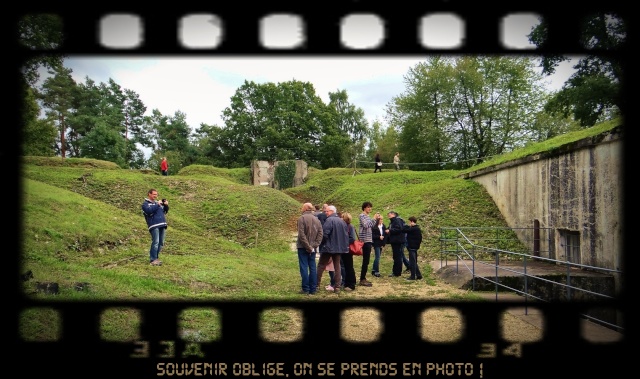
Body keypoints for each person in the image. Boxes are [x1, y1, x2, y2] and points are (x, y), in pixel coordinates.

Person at [316, 205, 349, 294]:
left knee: (321, 265)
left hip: (328, 247)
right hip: (338, 248)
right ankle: (337, 287)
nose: (325, 213)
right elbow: (345, 236)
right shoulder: (342, 221)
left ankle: (316, 285)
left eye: (327, 211)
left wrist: (321, 244)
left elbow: (325, 234)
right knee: (337, 266)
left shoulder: (329, 220)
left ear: (331, 211)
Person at [296, 202, 324, 295]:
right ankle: (313, 289)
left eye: (302, 207)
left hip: (303, 247)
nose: (301, 209)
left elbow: (301, 235)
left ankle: (305, 289)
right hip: (313, 248)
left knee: (304, 267)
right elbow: (320, 234)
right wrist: (314, 246)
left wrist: (308, 246)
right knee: (312, 267)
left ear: (305, 208)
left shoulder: (301, 218)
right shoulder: (317, 219)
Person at [141, 188, 169, 266]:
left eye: (156, 194)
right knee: (155, 242)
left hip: (162, 224)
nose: (155, 196)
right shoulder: (145, 204)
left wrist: (166, 205)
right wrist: (157, 205)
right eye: (154, 194)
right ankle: (152, 259)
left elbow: (165, 211)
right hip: (154, 225)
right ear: (149, 194)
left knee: (161, 243)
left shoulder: (158, 204)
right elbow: (149, 211)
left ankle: (155, 258)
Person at [357, 202, 377, 287]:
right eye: (368, 207)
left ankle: (363, 278)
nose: (370, 209)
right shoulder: (362, 216)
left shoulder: (367, 216)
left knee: (367, 260)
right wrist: (374, 219)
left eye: (370, 207)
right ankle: (362, 279)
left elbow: (371, 226)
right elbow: (366, 225)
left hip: (369, 240)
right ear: (364, 208)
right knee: (365, 260)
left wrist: (375, 220)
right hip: (365, 240)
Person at [340, 212, 357, 291]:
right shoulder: (343, 226)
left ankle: (351, 284)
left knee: (349, 266)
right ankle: (346, 282)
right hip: (343, 249)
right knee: (345, 266)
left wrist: (343, 242)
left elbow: (352, 238)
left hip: (347, 249)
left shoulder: (350, 226)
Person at [386, 211, 406, 277]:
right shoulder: (392, 221)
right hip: (394, 241)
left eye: (390, 214)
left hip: (398, 241)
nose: (388, 215)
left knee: (398, 257)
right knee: (396, 256)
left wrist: (390, 230)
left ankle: (397, 272)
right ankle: (395, 272)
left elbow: (399, 229)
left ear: (394, 214)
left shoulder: (397, 220)